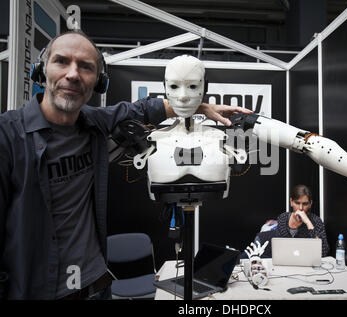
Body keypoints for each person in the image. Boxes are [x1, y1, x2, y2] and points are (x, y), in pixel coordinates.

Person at [0, 30, 250, 300]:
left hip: (96, 285)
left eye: (86, 67)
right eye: (62, 61)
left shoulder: (94, 123)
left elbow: (143, 109)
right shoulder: (7, 137)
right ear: (41, 69)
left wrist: (200, 108)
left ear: (99, 81)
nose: (73, 74)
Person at [254, 184, 329, 258]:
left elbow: (323, 252)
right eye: (297, 203)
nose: (300, 208)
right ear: (291, 202)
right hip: (264, 245)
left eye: (305, 204)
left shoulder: (316, 221)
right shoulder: (283, 218)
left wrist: (308, 223)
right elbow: (282, 249)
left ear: (310, 204)